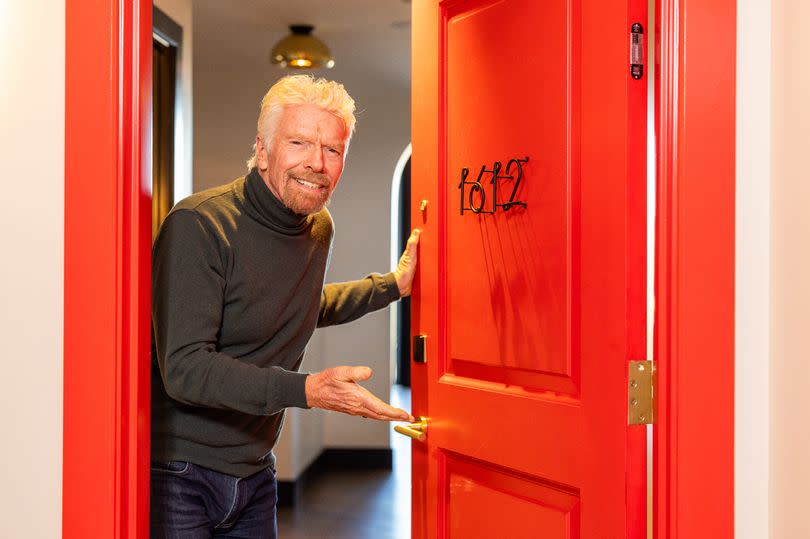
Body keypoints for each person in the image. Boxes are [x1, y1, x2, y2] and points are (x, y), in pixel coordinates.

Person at [150, 74, 420, 538]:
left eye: (332, 150)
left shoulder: (317, 228)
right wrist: (308, 389)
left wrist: (394, 284)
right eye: (298, 142)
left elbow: (299, 307)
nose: (316, 163)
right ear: (262, 149)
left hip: (256, 473)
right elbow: (186, 368)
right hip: (181, 473)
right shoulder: (199, 225)